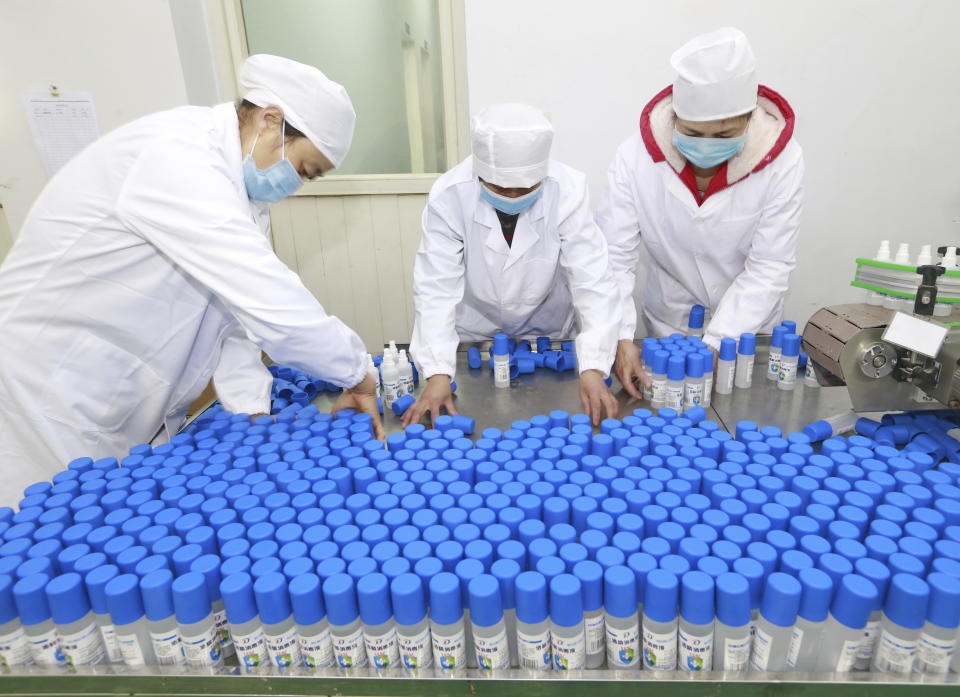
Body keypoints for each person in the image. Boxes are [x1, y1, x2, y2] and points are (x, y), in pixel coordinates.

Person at [0, 54, 383, 500]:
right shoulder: (178, 157)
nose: (295, 184)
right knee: (54, 528)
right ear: (270, 120)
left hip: (123, 389)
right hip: (55, 387)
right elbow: (271, 302)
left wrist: (252, 410)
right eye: (302, 169)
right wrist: (357, 372)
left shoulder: (240, 196)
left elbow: (237, 320)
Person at [596, 28, 804, 398]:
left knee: (741, 413)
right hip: (669, 326)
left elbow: (770, 266)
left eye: (724, 135)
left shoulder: (783, 162)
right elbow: (614, 258)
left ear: (749, 116)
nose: (705, 146)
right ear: (675, 117)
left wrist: (718, 341)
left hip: (746, 328)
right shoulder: (635, 159)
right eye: (692, 132)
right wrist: (620, 335)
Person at [406, 103, 622, 427]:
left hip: (547, 330)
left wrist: (593, 364)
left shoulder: (568, 191)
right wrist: (437, 371)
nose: (511, 196)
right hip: (476, 334)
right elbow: (435, 288)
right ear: (480, 172)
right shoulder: (450, 196)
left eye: (524, 188)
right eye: (499, 187)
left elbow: (593, 279)